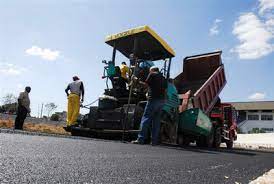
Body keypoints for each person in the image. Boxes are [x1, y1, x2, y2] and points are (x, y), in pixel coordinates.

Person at [132, 66, 167, 145]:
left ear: (152, 70)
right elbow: (165, 91)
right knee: (156, 122)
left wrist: (136, 80)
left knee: (146, 118)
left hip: (153, 100)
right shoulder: (164, 78)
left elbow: (145, 85)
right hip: (161, 102)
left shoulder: (152, 74)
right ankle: (154, 141)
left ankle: (140, 139)